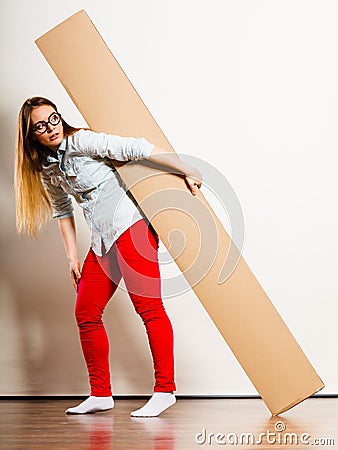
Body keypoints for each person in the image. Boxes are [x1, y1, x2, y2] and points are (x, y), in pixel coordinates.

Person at [14, 97, 202, 417]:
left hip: (130, 228)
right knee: (86, 313)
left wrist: (187, 169)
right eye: (41, 126)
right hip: (102, 241)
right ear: (31, 135)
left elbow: (137, 147)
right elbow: (62, 210)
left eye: (54, 119)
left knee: (149, 308)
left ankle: (165, 390)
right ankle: (100, 394)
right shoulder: (47, 168)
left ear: (61, 118)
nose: (51, 128)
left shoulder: (83, 140)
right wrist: (72, 257)